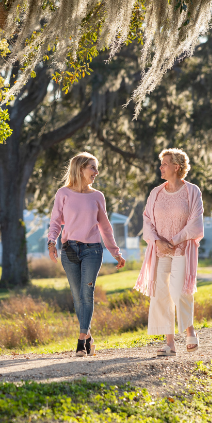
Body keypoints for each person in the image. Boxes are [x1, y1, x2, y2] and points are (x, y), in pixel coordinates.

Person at [48, 152, 126, 357]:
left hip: (92, 249)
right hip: (70, 250)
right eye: (92, 167)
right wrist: (51, 241)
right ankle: (89, 336)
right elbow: (56, 221)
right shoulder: (63, 193)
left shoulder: (97, 196)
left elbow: (106, 227)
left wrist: (116, 252)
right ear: (80, 169)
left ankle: (81, 339)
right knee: (77, 296)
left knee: (87, 293)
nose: (96, 172)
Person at [134, 148, 204, 356]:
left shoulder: (192, 192)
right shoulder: (155, 193)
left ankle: (190, 330)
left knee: (180, 290)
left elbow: (195, 223)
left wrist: (172, 241)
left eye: (164, 164)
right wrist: (157, 242)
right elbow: (146, 219)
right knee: (161, 295)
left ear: (176, 167)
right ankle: (170, 344)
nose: (160, 167)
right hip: (160, 251)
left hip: (182, 249)